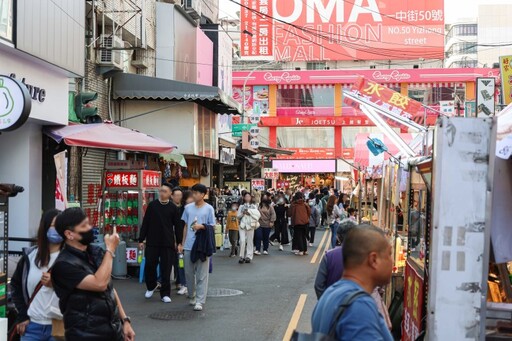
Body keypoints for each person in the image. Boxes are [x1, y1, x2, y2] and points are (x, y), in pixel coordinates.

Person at [52, 208, 135, 341]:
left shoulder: (95, 252)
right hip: (85, 335)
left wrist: (125, 320)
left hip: (114, 332)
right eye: (84, 226)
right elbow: (99, 284)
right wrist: (111, 250)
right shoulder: (63, 264)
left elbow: (110, 288)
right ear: (69, 234)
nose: (90, 228)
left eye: (89, 223)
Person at [311, 225, 393, 340]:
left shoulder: (330, 294)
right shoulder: (359, 306)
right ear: (373, 260)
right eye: (389, 254)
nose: (392, 261)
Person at [11, 209, 63, 341]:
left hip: (59, 327)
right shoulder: (30, 257)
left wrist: (56, 283)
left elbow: (79, 290)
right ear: (44, 227)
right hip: (31, 328)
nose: (57, 229)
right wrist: (23, 316)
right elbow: (15, 286)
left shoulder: (70, 258)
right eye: (53, 225)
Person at [138, 183, 182, 303]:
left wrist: (179, 242)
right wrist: (141, 239)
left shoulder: (173, 208)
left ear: (170, 194)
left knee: (166, 268)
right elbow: (145, 223)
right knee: (149, 266)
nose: (162, 193)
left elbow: (178, 226)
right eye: (161, 191)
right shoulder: (152, 205)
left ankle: (165, 294)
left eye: (164, 191)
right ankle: (151, 286)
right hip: (152, 241)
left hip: (167, 242)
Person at [178, 184, 216, 312]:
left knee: (202, 274)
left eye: (196, 193)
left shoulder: (209, 208)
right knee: (188, 273)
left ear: (203, 195)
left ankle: (200, 300)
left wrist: (202, 226)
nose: (193, 195)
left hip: (202, 245)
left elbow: (212, 226)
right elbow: (185, 226)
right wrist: (182, 243)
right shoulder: (188, 208)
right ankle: (192, 294)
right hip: (188, 244)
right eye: (192, 193)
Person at [314, 219, 358, 299]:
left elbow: (318, 285)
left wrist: (326, 302)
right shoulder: (364, 256)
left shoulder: (329, 256)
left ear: (337, 237)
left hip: (331, 304)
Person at [171, 187, 188, 296]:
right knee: (171, 260)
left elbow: (184, 226)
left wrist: (181, 241)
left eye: (180, 195)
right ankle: (162, 281)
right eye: (176, 195)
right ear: (172, 196)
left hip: (180, 238)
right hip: (169, 238)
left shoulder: (184, 209)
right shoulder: (169, 207)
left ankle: (180, 282)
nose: (178, 197)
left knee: (179, 261)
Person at [237, 193, 260, 264]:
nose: (247, 198)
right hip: (242, 225)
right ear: (244, 198)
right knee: (242, 240)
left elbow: (257, 215)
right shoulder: (241, 206)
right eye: (246, 196)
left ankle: (249, 256)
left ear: (251, 197)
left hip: (250, 225)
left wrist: (250, 213)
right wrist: (243, 213)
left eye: (248, 196)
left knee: (250, 241)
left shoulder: (254, 206)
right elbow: (238, 216)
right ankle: (241, 256)